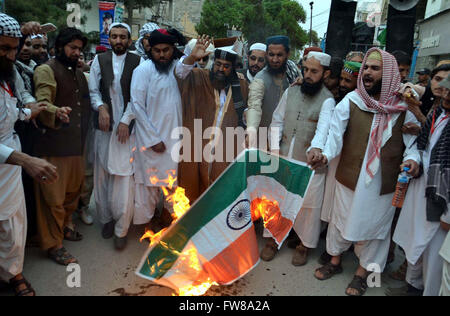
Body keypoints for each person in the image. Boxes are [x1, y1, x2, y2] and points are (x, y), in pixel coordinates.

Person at [313, 48, 420, 296]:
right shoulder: (352, 101)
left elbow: (412, 147)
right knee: (340, 221)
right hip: (349, 176)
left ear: (389, 73)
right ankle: (335, 262)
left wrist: (412, 161)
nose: (368, 73)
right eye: (366, 68)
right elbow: (334, 137)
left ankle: (363, 274)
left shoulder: (404, 108)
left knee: (376, 230)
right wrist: (325, 155)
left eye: (375, 68)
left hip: (382, 183)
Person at [0, 12, 58, 296]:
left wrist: (34, 110)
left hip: (8, 166)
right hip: (11, 156)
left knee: (12, 223)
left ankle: (13, 273)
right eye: (4, 48)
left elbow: (20, 102)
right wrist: (26, 160)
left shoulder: (9, 76)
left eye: (13, 48)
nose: (11, 56)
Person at [265, 52, 335, 264]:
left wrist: (316, 149)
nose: (308, 75)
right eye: (305, 70)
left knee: (308, 205)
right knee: (277, 199)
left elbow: (324, 130)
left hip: (310, 164)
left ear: (325, 73)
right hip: (284, 156)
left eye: (314, 71)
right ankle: (272, 240)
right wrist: (275, 149)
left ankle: (304, 245)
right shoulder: (291, 91)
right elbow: (277, 120)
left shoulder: (328, 100)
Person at [33, 27, 91, 265]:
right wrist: (57, 113)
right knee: (53, 201)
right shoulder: (46, 70)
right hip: (53, 146)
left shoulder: (77, 73)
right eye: (73, 48)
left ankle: (65, 228)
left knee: (71, 195)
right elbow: (42, 103)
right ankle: (53, 245)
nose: (77, 52)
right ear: (58, 47)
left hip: (75, 146)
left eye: (79, 49)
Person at [391, 74, 450, 296]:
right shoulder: (438, 114)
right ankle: (412, 288)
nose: (446, 93)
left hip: (442, 204)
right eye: (445, 89)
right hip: (422, 191)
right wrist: (413, 161)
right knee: (415, 248)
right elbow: (421, 146)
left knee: (435, 261)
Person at [175, 38, 249, 203]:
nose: (220, 69)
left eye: (226, 66)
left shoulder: (242, 86)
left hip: (224, 152)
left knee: (220, 196)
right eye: (217, 64)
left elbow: (249, 110)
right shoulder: (199, 77)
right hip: (195, 148)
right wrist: (191, 58)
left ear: (234, 68)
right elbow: (180, 73)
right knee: (190, 193)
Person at [89, 23, 141, 250]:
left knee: (123, 178)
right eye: (114, 36)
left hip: (126, 130)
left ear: (129, 40)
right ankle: (107, 220)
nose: (118, 40)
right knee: (102, 176)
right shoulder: (99, 61)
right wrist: (101, 107)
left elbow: (139, 96)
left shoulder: (138, 62)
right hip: (103, 127)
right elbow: (93, 91)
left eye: (122, 37)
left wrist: (125, 119)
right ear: (108, 39)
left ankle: (122, 229)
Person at [131, 28, 188, 229]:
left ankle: (169, 222)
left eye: (166, 50)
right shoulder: (143, 70)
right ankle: (145, 225)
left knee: (172, 184)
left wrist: (194, 54)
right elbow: (137, 106)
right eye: (157, 50)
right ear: (150, 51)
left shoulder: (175, 67)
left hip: (173, 138)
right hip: (151, 141)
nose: (162, 54)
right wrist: (152, 139)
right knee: (148, 186)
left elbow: (185, 68)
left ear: (173, 49)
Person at [246, 36, 300, 142]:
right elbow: (254, 106)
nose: (275, 60)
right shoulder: (260, 78)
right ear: (266, 54)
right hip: (264, 137)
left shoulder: (293, 72)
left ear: (287, 55)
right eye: (271, 55)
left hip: (288, 136)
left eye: (279, 55)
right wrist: (251, 130)